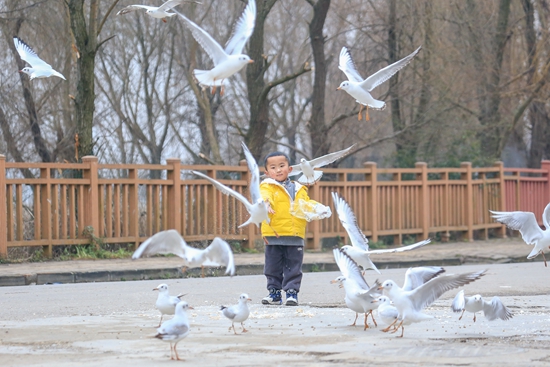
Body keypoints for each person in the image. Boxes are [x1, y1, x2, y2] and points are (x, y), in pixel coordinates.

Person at [260, 151, 331, 306]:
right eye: (273, 167)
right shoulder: (267, 186)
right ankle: (274, 293)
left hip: (294, 234)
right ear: (267, 173)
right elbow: (265, 196)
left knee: (293, 267)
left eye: (281, 166)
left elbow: (305, 204)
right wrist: (265, 203)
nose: (278, 170)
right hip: (273, 234)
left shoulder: (299, 188)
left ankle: (292, 293)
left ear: (290, 169)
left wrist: (317, 209)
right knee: (272, 266)